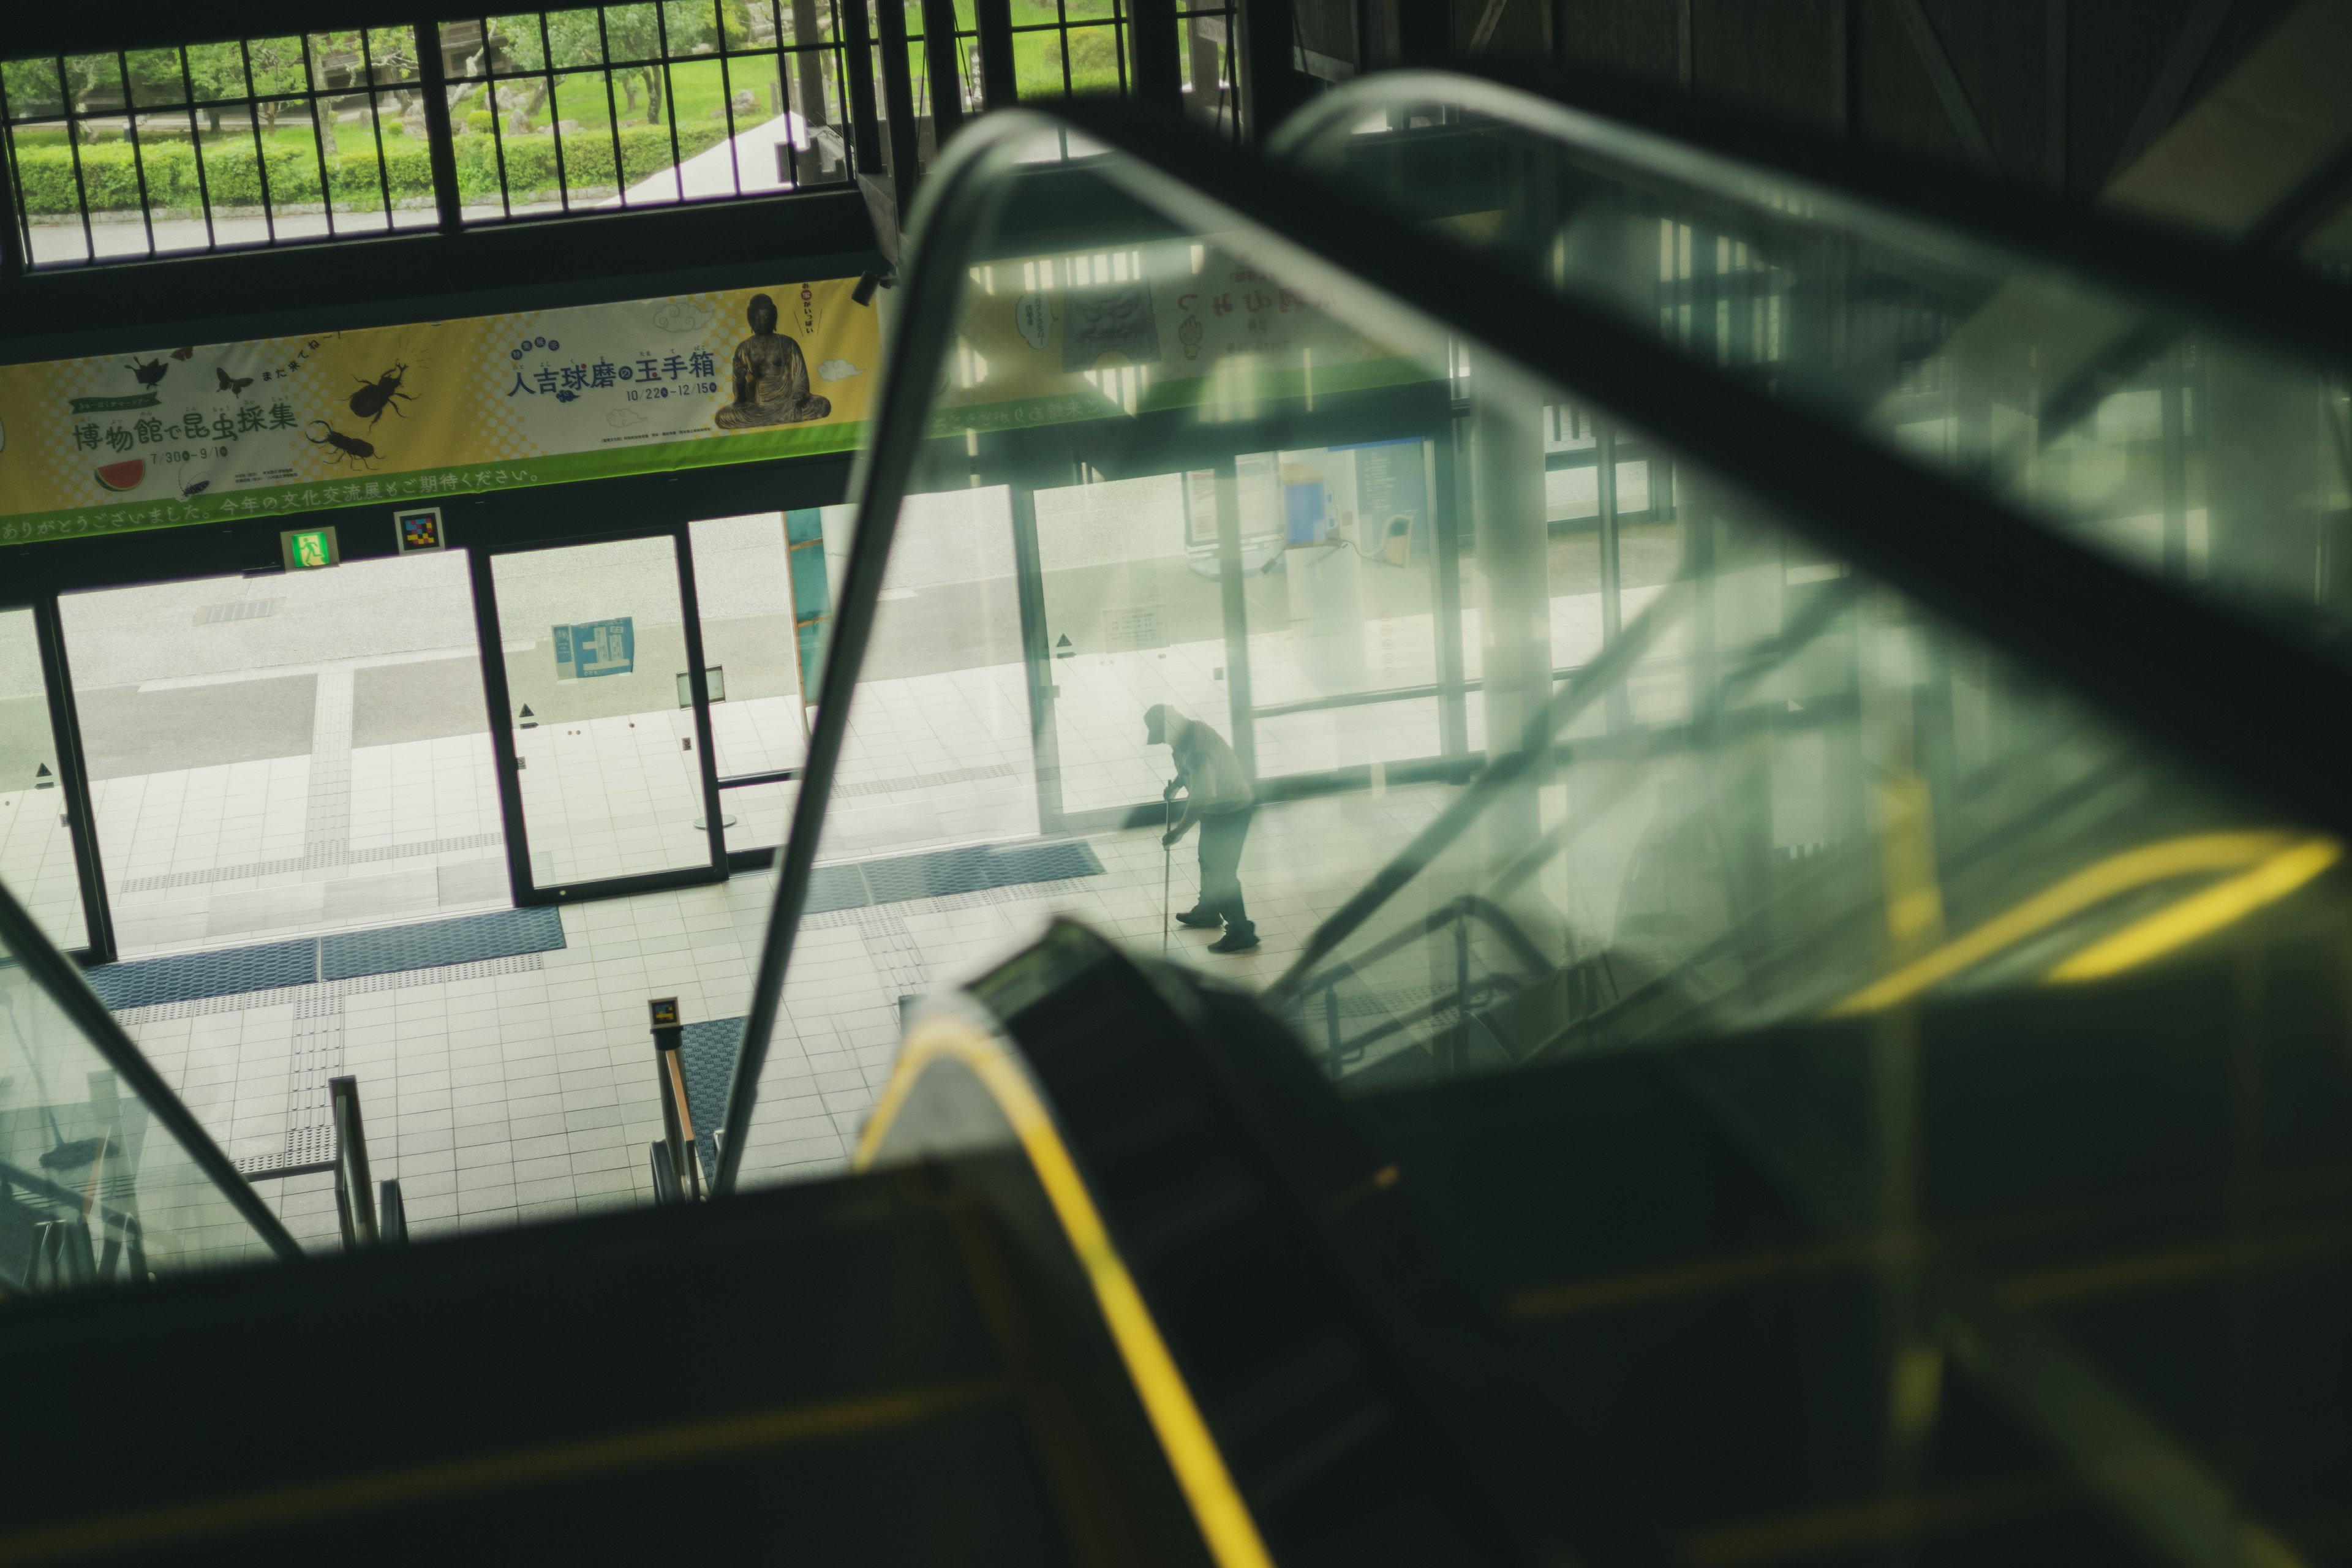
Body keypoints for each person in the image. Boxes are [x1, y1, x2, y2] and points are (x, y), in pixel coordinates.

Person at [1147, 703, 1257, 953]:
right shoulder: (1188, 733)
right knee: (1208, 861)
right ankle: (1209, 910)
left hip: (1231, 811)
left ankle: (1241, 931)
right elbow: (1191, 772)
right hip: (1218, 810)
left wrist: (1178, 832)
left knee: (1221, 873)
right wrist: (1177, 784)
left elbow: (1202, 797)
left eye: (1163, 737)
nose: (1164, 743)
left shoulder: (1199, 750)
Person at [714, 293, 832, 428]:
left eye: (766, 316)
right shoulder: (743, 349)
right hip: (757, 408)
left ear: (774, 317)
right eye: (758, 317)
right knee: (723, 417)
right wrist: (740, 380)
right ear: (751, 319)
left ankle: (779, 417)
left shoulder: (788, 344)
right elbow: (741, 400)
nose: (763, 321)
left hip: (788, 403)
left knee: (823, 405)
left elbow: (801, 379)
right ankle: (781, 418)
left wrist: (797, 396)